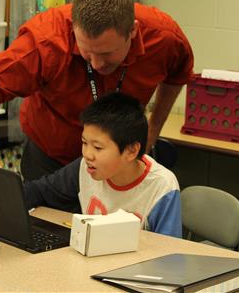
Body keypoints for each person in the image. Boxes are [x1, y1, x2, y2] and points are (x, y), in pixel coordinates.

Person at [0, 0, 194, 181]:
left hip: (119, 165)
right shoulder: (46, 40)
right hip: (53, 161)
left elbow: (177, 75)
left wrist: (151, 134)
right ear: (74, 29)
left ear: (132, 31)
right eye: (87, 52)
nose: (96, 64)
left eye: (106, 53)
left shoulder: (163, 38)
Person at [23, 92, 182, 238]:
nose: (87, 154)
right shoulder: (86, 167)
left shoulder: (162, 187)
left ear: (131, 151)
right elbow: (40, 191)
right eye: (84, 143)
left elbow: (170, 253)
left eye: (98, 147)